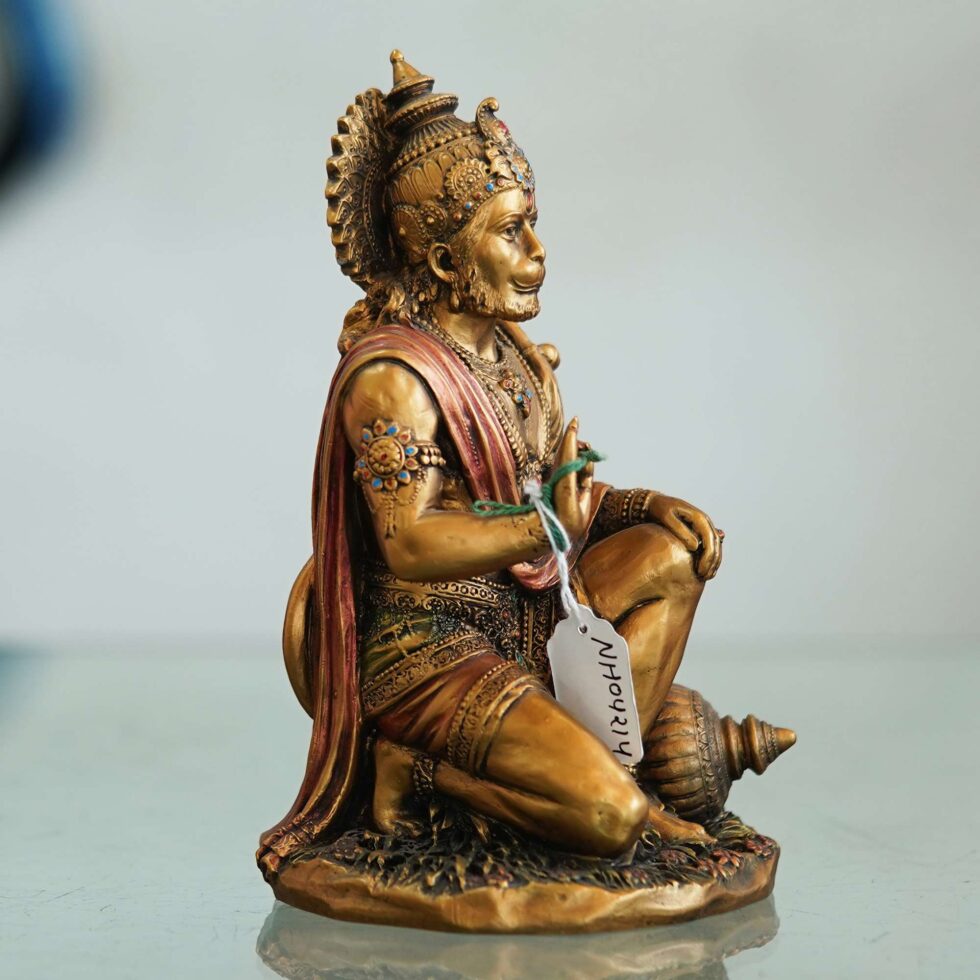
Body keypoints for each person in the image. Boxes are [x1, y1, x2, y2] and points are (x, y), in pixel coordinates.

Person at [259, 52, 724, 878]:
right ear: (446, 262)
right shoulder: (395, 380)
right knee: (612, 821)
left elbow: (554, 497)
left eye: (532, 223)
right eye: (511, 232)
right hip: (431, 646)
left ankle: (598, 763)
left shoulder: (516, 358)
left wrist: (644, 507)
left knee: (673, 557)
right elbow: (409, 543)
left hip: (527, 610)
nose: (538, 250)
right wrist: (544, 531)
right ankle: (423, 774)